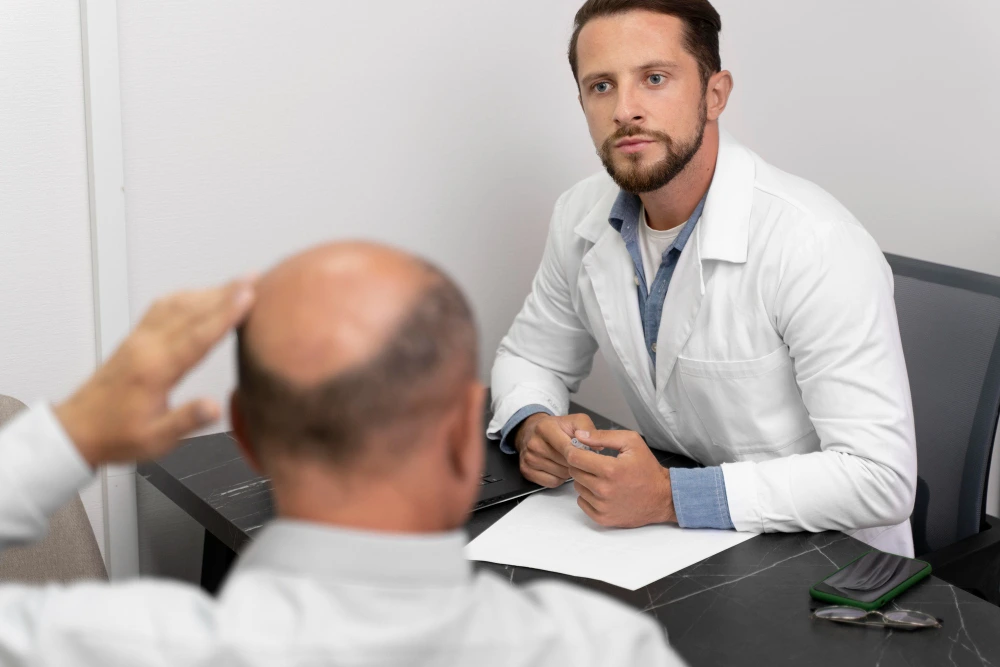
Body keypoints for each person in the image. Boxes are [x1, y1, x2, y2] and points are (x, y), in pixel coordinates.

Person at [0, 242, 683, 666]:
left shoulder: (107, 647)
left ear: (247, 433)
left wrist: (71, 433)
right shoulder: (606, 649)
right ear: (461, 436)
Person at [489, 0, 917, 556]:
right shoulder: (580, 216)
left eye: (655, 78)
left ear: (715, 94)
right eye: (601, 86)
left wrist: (670, 495)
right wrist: (532, 422)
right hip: (679, 549)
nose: (625, 109)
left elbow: (879, 478)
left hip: (829, 568)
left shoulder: (815, 242)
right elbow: (532, 356)